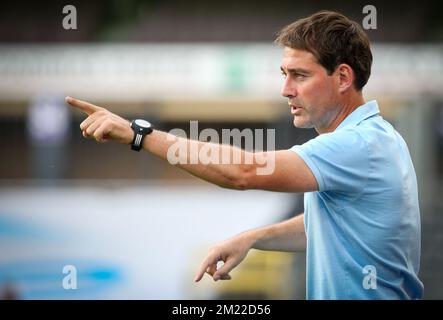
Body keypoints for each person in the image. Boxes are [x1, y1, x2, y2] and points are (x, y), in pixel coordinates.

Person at [65, 10, 424, 299]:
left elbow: (245, 172)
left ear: (343, 77)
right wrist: (253, 238)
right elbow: (334, 227)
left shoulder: (357, 144)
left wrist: (138, 134)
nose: (286, 89)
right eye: (284, 74)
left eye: (299, 75)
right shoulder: (375, 137)